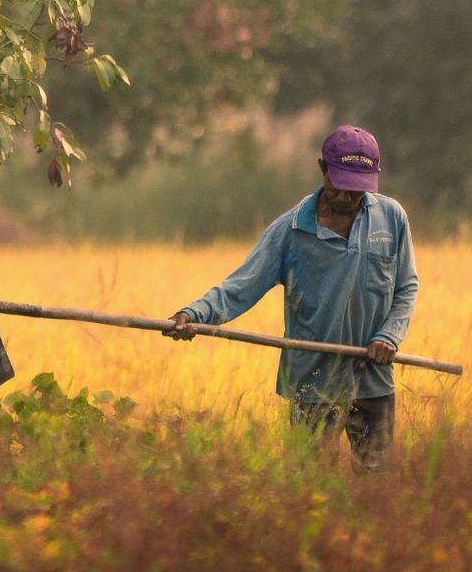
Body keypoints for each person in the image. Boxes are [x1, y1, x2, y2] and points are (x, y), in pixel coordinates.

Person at [165, 125, 417, 469]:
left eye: (357, 190)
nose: (346, 198)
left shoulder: (391, 219)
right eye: (339, 185)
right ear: (322, 168)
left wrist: (388, 337)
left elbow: (405, 288)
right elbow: (241, 286)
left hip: (374, 381)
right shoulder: (290, 231)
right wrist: (194, 314)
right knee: (311, 485)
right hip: (312, 384)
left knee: (378, 483)